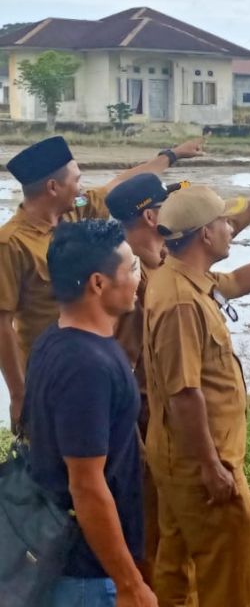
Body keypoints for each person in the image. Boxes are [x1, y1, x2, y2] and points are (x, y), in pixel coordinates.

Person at [104, 174, 250, 600]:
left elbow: (234, 283)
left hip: (180, 458)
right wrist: (211, 466)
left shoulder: (177, 275)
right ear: (203, 234)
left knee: (176, 573)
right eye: (224, 222)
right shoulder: (179, 299)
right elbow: (184, 393)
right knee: (231, 579)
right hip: (202, 462)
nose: (231, 228)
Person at [0, 135, 205, 426]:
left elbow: (115, 186)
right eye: (77, 180)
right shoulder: (11, 243)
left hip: (92, 364)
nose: (81, 187)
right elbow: (2, 325)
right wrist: (19, 395)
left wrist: (171, 155)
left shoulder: (75, 207)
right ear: (53, 187)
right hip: (49, 373)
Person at [23, 219, 155, 607]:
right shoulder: (87, 367)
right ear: (98, 283)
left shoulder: (55, 338)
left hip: (75, 562)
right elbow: (87, 486)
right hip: (84, 575)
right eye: (131, 267)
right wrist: (129, 584)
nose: (139, 275)